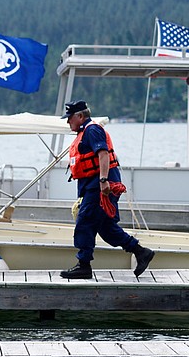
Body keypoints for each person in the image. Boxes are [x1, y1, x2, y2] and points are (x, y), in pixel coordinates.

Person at [59, 100, 156, 280]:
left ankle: (84, 266)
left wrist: (103, 181)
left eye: (70, 117)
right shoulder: (84, 131)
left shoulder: (92, 130)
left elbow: (103, 154)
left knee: (85, 222)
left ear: (80, 116)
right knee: (106, 228)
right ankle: (141, 252)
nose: (68, 122)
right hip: (94, 186)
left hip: (100, 186)